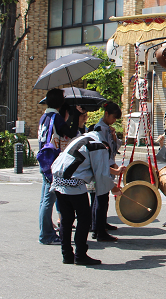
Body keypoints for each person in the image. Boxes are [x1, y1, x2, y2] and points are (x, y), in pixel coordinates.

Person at [50, 130, 125, 265]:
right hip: (74, 183)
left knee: (66, 220)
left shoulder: (80, 139)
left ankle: (66, 255)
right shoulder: (99, 147)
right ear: (106, 146)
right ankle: (80, 255)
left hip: (57, 180)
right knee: (84, 219)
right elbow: (101, 174)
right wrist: (113, 188)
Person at [37, 88, 81, 246]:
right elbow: (70, 133)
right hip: (53, 163)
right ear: (59, 101)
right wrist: (75, 115)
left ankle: (46, 230)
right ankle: (46, 235)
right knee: (49, 199)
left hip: (44, 161)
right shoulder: (55, 117)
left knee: (44, 200)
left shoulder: (44, 117)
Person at [90, 102, 122, 242]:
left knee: (103, 199)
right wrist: (112, 168)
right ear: (106, 114)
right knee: (100, 199)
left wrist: (114, 137)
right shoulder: (99, 129)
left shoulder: (107, 128)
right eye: (113, 117)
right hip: (102, 165)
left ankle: (101, 224)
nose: (114, 121)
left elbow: (114, 147)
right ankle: (98, 229)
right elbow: (103, 150)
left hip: (107, 164)